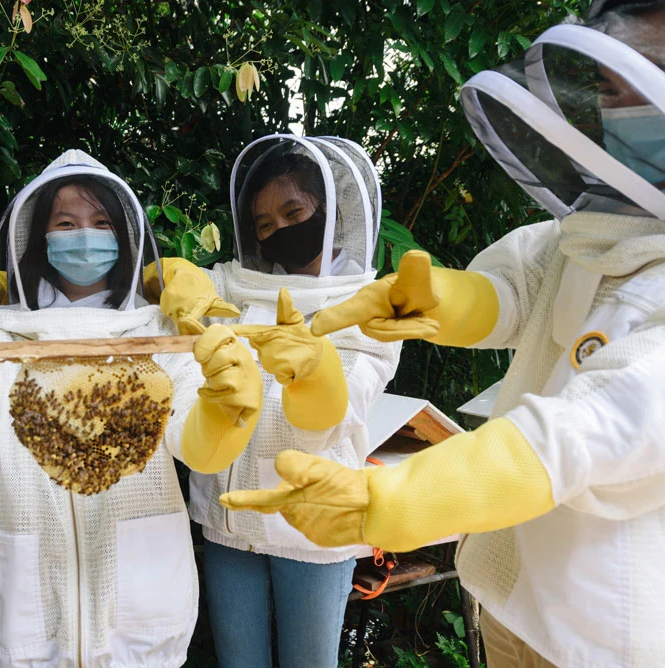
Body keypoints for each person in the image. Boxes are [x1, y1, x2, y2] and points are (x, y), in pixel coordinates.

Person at [221, 4, 665, 667]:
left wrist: (398, 499)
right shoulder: (609, 222)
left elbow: (584, 433)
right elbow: (523, 283)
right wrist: (448, 300)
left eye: (651, 75)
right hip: (509, 601)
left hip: (599, 635)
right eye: (609, 86)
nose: (623, 106)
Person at [0, 149, 263, 667]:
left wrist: (225, 407)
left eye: (101, 222)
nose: (86, 235)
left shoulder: (160, 334)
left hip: (145, 606)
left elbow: (196, 440)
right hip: (28, 614)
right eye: (66, 222)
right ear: (39, 238)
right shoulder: (0, 340)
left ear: (124, 237)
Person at [147, 135, 401, 667]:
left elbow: (338, 414)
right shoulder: (234, 288)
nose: (281, 231)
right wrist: (168, 276)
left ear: (328, 213)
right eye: (265, 225)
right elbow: (167, 299)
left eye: (294, 212)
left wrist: (313, 374)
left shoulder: (371, 308)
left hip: (314, 530)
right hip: (227, 524)